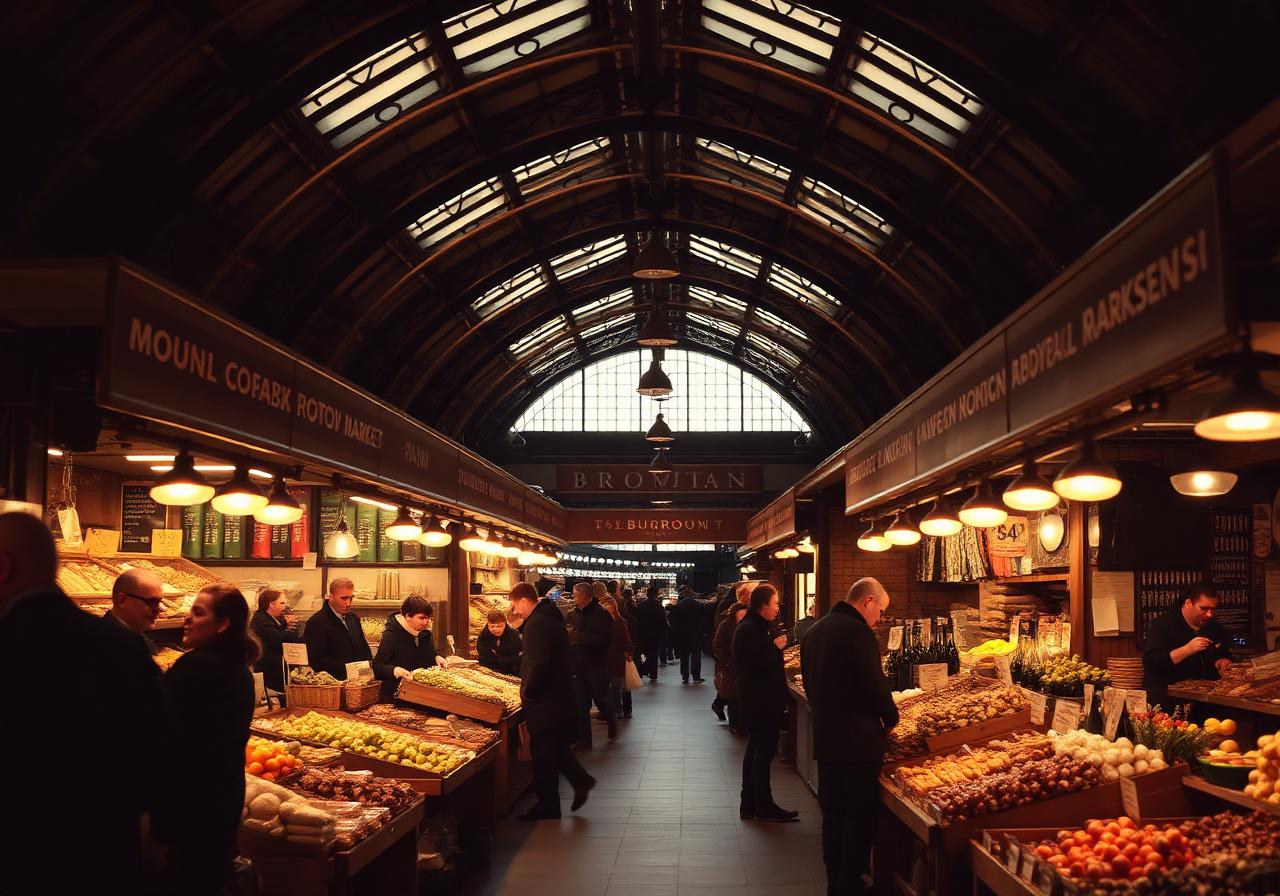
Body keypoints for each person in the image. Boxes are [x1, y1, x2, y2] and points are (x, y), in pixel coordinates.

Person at [0, 512, 167, 894]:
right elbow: (159, 750)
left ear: (3, 566)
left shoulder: (10, 644)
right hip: (105, 853)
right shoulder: (122, 646)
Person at [802, 578, 899, 896]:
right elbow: (875, 685)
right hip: (859, 744)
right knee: (859, 816)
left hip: (827, 741)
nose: (880, 619)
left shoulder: (815, 631)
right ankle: (850, 884)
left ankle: (836, 881)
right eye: (880, 612)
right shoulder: (858, 633)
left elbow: (810, 684)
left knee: (834, 815)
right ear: (868, 601)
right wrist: (891, 717)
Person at [159, 583, 258, 894]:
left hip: (190, 805)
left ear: (223, 624)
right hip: (223, 799)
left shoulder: (196, 666)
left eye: (198, 613)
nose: (187, 618)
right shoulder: (239, 668)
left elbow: (161, 732)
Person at [510, 582, 594, 820]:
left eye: (515, 605)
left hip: (545, 701)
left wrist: (528, 691)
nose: (515, 611)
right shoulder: (549, 617)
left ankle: (548, 805)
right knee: (554, 748)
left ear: (524, 601)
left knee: (543, 754)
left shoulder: (537, 623)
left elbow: (538, 662)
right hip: (557, 697)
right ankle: (580, 781)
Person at [733, 582, 798, 822]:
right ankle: (763, 805)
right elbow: (757, 665)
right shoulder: (750, 629)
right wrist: (776, 647)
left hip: (758, 702)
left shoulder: (753, 627)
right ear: (763, 605)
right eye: (775, 603)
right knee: (762, 753)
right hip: (761, 703)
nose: (777, 608)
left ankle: (750, 803)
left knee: (755, 752)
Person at [1143, 584, 1234, 711]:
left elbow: (1223, 654)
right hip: (1168, 703)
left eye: (1213, 609)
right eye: (1204, 608)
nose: (1209, 614)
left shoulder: (1214, 627)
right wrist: (1187, 650)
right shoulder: (1162, 625)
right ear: (1188, 603)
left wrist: (1222, 661)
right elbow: (1151, 662)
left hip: (1207, 704)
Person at [566, 581, 617, 747]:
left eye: (575, 595)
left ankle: (610, 716)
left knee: (600, 698)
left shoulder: (601, 615)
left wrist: (577, 636)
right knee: (581, 704)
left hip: (596, 665)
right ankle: (584, 740)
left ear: (585, 596)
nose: (573, 598)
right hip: (578, 665)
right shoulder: (574, 613)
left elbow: (604, 641)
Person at [372, 595, 447, 701]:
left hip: (422, 694)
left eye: (428, 618)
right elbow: (378, 666)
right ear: (408, 616)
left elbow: (428, 654)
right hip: (397, 695)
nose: (426, 622)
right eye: (422, 618)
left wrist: (436, 657)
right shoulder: (391, 635)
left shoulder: (425, 633)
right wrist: (395, 670)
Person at [303, 577, 371, 679]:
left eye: (350, 598)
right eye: (343, 598)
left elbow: (363, 648)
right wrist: (346, 669)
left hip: (357, 681)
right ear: (331, 597)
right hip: (332, 683)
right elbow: (316, 659)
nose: (348, 603)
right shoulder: (317, 623)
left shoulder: (353, 618)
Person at [711, 582, 753, 718]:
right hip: (730, 661)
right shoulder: (729, 616)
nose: (751, 598)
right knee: (732, 691)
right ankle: (734, 722)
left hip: (737, 661)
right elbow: (717, 642)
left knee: (733, 690)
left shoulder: (749, 613)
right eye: (749, 595)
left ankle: (720, 705)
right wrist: (727, 661)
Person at [103, 567, 164, 656]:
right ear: (122, 601)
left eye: (159, 602)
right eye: (152, 602)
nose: (158, 610)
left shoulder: (143, 643)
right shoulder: (99, 644)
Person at [252, 587, 300, 695]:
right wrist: (291, 630)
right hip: (268, 674)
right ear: (271, 604)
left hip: (274, 671)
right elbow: (278, 640)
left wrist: (285, 624)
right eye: (282, 603)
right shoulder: (261, 621)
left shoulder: (271, 619)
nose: (285, 607)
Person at [714, 603, 749, 733]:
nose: (744, 617)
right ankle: (735, 725)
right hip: (731, 667)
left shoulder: (748, 626)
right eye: (742, 615)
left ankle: (742, 724)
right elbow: (717, 645)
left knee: (741, 696)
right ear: (735, 615)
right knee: (733, 696)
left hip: (744, 666)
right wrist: (727, 661)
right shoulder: (726, 625)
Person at [600, 595, 635, 719]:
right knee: (615, 687)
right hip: (611, 659)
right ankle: (619, 710)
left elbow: (627, 641)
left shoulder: (619, 622)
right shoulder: (610, 622)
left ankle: (619, 710)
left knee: (618, 686)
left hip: (616, 659)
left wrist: (628, 652)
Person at [670, 586, 706, 684]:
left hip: (683, 633)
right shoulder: (698, 605)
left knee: (684, 655)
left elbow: (675, 622)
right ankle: (696, 675)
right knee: (696, 654)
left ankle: (685, 675)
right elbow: (703, 619)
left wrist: (675, 634)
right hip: (695, 632)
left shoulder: (679, 606)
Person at [633, 584, 669, 682]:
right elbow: (663, 621)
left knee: (641, 653)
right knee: (653, 654)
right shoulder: (659, 606)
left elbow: (637, 620)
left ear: (647, 595)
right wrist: (666, 631)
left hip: (642, 633)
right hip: (654, 634)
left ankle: (641, 671)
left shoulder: (641, 606)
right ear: (656, 595)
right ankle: (653, 673)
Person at [476, 607, 523, 674]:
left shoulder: (514, 635)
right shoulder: (483, 636)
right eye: (492, 626)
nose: (495, 629)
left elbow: (517, 657)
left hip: (511, 671)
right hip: (488, 671)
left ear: (505, 624)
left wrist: (502, 661)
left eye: (499, 626)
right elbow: (484, 655)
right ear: (488, 624)